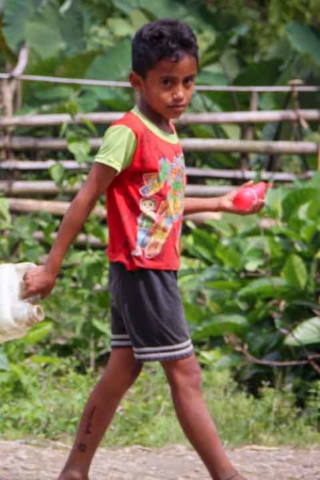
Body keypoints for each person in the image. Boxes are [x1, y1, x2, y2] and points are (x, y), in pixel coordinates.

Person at [23, 18, 264, 480]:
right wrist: (51, 267)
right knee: (186, 376)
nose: (180, 94)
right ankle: (228, 477)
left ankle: (74, 470)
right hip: (143, 271)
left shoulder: (169, 133)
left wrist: (220, 202)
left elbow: (162, 204)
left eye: (188, 82)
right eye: (167, 83)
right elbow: (86, 197)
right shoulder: (129, 132)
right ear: (138, 82)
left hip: (150, 270)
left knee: (121, 371)